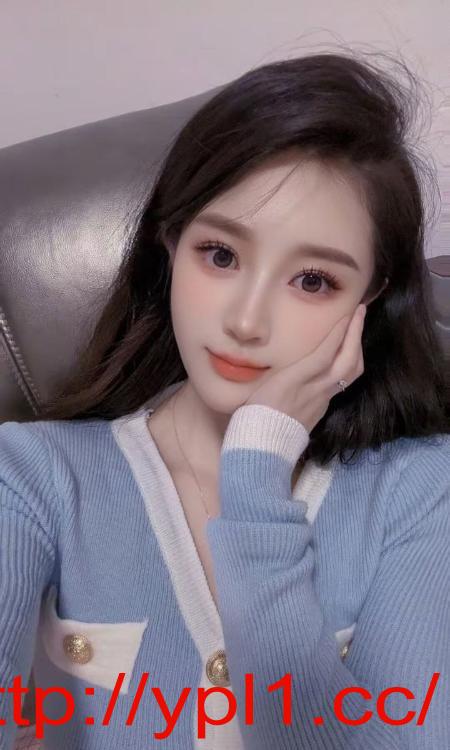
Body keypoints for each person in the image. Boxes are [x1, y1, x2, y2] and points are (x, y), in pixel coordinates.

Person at [1, 48, 449, 750]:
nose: (245, 320)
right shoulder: (32, 477)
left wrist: (257, 471)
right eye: (220, 254)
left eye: (313, 281)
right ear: (170, 243)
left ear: (371, 299)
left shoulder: (420, 489)